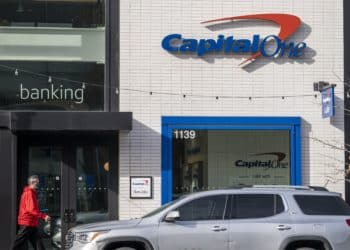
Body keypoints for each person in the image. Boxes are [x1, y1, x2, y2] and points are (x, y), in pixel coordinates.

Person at [12, 175, 51, 250]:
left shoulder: (31, 193)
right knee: (18, 244)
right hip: (27, 224)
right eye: (37, 182)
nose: (38, 184)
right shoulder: (29, 193)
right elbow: (31, 209)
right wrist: (44, 216)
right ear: (32, 182)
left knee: (38, 245)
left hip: (31, 224)